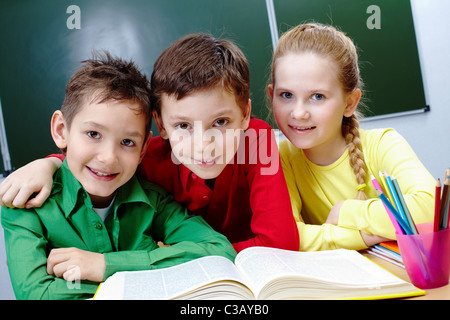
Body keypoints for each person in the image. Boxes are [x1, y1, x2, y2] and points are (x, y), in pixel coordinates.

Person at [0, 34, 299, 253]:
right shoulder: (151, 159)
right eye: (183, 126)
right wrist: (52, 162)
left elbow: (280, 244)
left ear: (245, 114)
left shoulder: (256, 140)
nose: (204, 145)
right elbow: (104, 160)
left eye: (220, 123)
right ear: (160, 125)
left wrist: (177, 253)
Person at [1, 52, 236, 300]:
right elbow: (37, 295)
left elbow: (218, 252)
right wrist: (147, 276)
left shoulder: (153, 201)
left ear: (143, 149)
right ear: (62, 130)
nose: (109, 158)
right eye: (93, 134)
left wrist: (104, 265)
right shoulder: (26, 203)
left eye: (127, 142)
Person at [267, 23, 435, 251]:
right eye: (286, 95)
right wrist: (364, 236)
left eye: (317, 96)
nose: (298, 113)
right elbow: (290, 236)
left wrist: (345, 212)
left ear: (349, 102)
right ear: (271, 95)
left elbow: (431, 208)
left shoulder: (382, 144)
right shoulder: (280, 158)